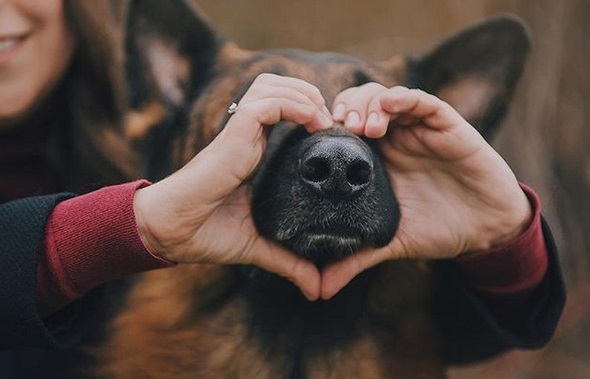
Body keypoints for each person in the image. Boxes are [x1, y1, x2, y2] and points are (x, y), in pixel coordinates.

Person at [0, 0, 564, 376]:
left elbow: (472, 324)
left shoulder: (108, 142)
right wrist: (130, 226)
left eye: (369, 142)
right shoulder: (131, 201)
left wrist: (505, 234)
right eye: (257, 124)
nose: (339, 159)